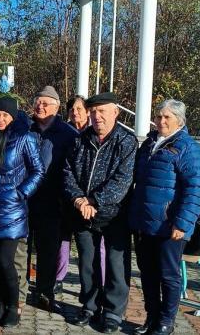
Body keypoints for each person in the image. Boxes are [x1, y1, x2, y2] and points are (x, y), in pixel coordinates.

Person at [130, 100, 200, 335]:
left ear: (179, 121)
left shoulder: (189, 149)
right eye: (159, 116)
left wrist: (182, 223)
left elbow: (194, 190)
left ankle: (166, 321)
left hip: (169, 225)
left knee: (168, 276)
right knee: (148, 274)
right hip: (144, 223)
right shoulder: (149, 144)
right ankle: (151, 318)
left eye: (167, 118)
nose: (161, 121)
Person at [63, 92, 137, 333]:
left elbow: (122, 180)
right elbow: (68, 172)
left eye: (102, 111)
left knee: (116, 265)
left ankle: (114, 312)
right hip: (82, 213)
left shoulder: (126, 141)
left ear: (115, 113)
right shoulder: (80, 139)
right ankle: (90, 306)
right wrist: (78, 200)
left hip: (114, 214)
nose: (97, 116)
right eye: (93, 111)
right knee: (87, 263)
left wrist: (94, 200)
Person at [0, 96, 44, 328]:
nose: (0, 119)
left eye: (5, 115)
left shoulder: (25, 138)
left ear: (13, 116)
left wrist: (21, 193)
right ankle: (0, 304)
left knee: (5, 261)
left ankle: (14, 306)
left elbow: (38, 171)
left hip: (11, 210)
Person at [26, 86, 79, 312]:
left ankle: (45, 292)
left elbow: (74, 170)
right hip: (23, 201)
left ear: (57, 108)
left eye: (46, 103)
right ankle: (17, 291)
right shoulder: (24, 129)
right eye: (38, 102)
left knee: (48, 252)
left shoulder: (68, 135)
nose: (41, 106)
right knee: (20, 249)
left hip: (52, 203)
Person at [58, 94, 105, 293]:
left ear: (87, 112)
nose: (75, 113)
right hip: (66, 195)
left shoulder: (94, 134)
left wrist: (88, 200)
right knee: (62, 240)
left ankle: (100, 281)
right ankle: (58, 277)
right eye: (72, 110)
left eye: (79, 109)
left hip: (89, 200)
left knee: (95, 245)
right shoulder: (64, 132)